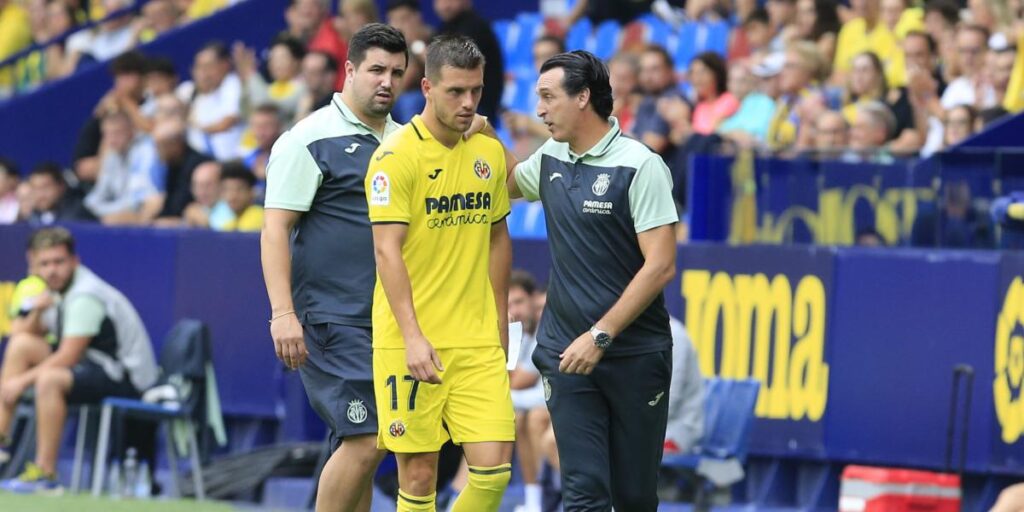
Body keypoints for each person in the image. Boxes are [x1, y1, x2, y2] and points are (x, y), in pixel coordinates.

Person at [506, 50, 679, 511]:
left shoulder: (640, 166)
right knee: (582, 494)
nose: (539, 110)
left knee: (634, 498)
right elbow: (503, 183)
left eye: (547, 97)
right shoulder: (550, 156)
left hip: (633, 354)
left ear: (583, 97)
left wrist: (601, 335)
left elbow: (660, 265)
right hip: (566, 353)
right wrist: (480, 137)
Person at [261, 24, 407, 512]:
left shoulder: (408, 142)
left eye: (397, 73)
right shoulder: (307, 139)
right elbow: (275, 229)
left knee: (364, 442)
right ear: (348, 70)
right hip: (330, 318)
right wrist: (283, 313)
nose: (387, 81)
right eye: (377, 70)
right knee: (369, 439)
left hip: (389, 321)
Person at [366, 34, 513, 512]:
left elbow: (497, 238)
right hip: (412, 340)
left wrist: (500, 320)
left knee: (493, 473)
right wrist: (411, 336)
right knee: (420, 474)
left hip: (475, 339)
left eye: (476, 91)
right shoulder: (395, 158)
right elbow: (387, 252)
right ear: (427, 87)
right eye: (456, 92)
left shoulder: (488, 154)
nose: (469, 103)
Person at [0, 227, 158, 493]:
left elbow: (68, 355)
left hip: (127, 378)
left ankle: (45, 475)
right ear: (33, 265)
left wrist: (18, 384)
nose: (52, 270)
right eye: (44, 264)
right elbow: (19, 333)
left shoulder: (85, 294)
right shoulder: (53, 291)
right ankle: (1, 442)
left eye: (59, 262)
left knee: (49, 379)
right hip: (92, 366)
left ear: (75, 261)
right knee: (22, 346)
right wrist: (37, 312)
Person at [434, 0, 504, 120]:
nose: (445, 5)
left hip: (478, 106)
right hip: (453, 99)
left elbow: (453, 65)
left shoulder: (475, 26)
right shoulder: (445, 27)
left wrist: (418, 49)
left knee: (413, 102)